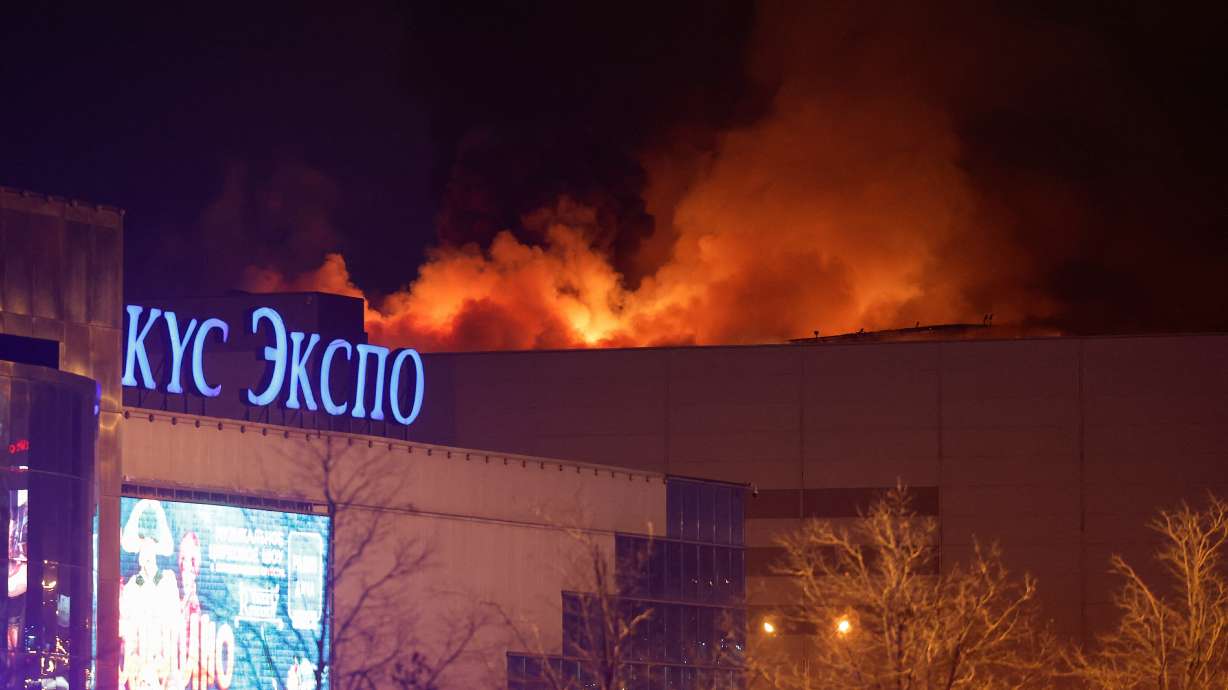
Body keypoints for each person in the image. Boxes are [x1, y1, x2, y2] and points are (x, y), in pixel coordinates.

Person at [118, 500, 180, 689]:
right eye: (143, 545)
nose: (146, 550)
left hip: (160, 658)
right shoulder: (131, 586)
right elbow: (125, 620)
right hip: (136, 660)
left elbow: (172, 620)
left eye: (150, 545)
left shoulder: (167, 581)